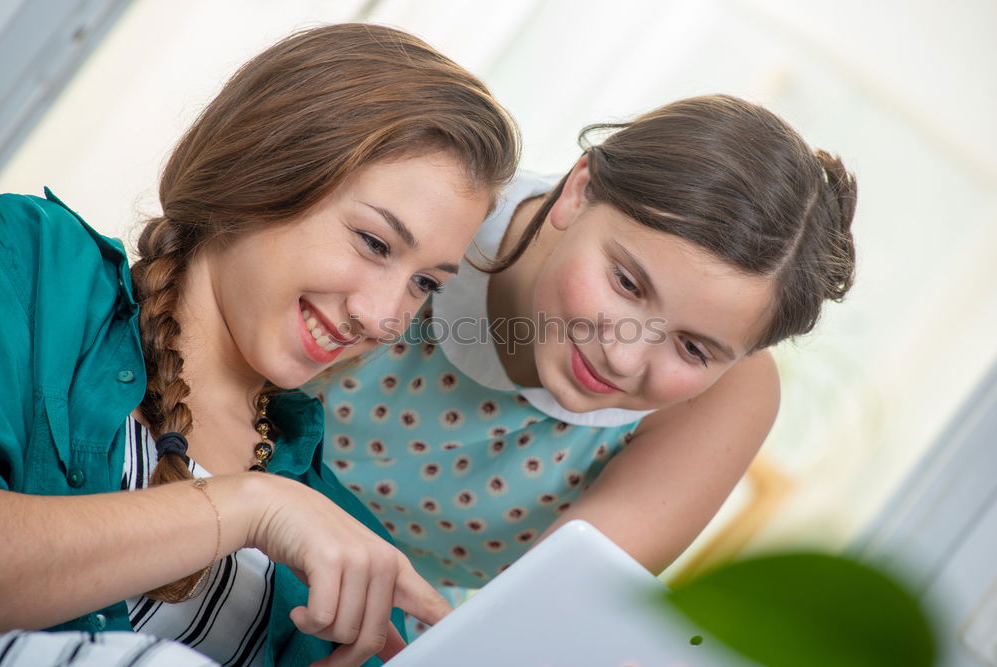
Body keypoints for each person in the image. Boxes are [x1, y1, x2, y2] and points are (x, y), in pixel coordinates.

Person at [0, 23, 518, 667]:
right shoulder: (31, 268)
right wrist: (249, 505)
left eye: (423, 283)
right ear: (262, 170)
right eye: (374, 242)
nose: (383, 316)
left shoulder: (345, 536)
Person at [314, 94, 857, 629]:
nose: (622, 357)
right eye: (626, 283)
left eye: (692, 349)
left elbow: (529, 621)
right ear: (578, 190)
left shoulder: (727, 395)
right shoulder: (438, 215)